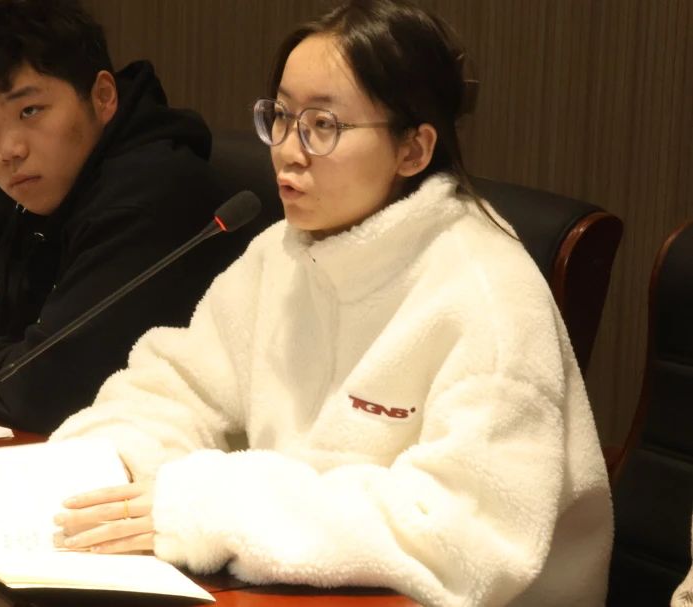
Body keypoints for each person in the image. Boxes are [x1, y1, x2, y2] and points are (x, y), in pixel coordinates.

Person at [50, 1, 613, 605]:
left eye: (323, 125)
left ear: (413, 150)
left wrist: (218, 506)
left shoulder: (487, 293)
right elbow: (177, 389)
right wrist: (105, 468)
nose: (288, 151)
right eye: (281, 116)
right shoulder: (281, 252)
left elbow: (463, 536)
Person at [0, 0, 240, 434]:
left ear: (103, 96)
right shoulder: (14, 181)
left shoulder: (154, 192)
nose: (8, 150)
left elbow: (43, 389)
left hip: (152, 453)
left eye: (29, 111)